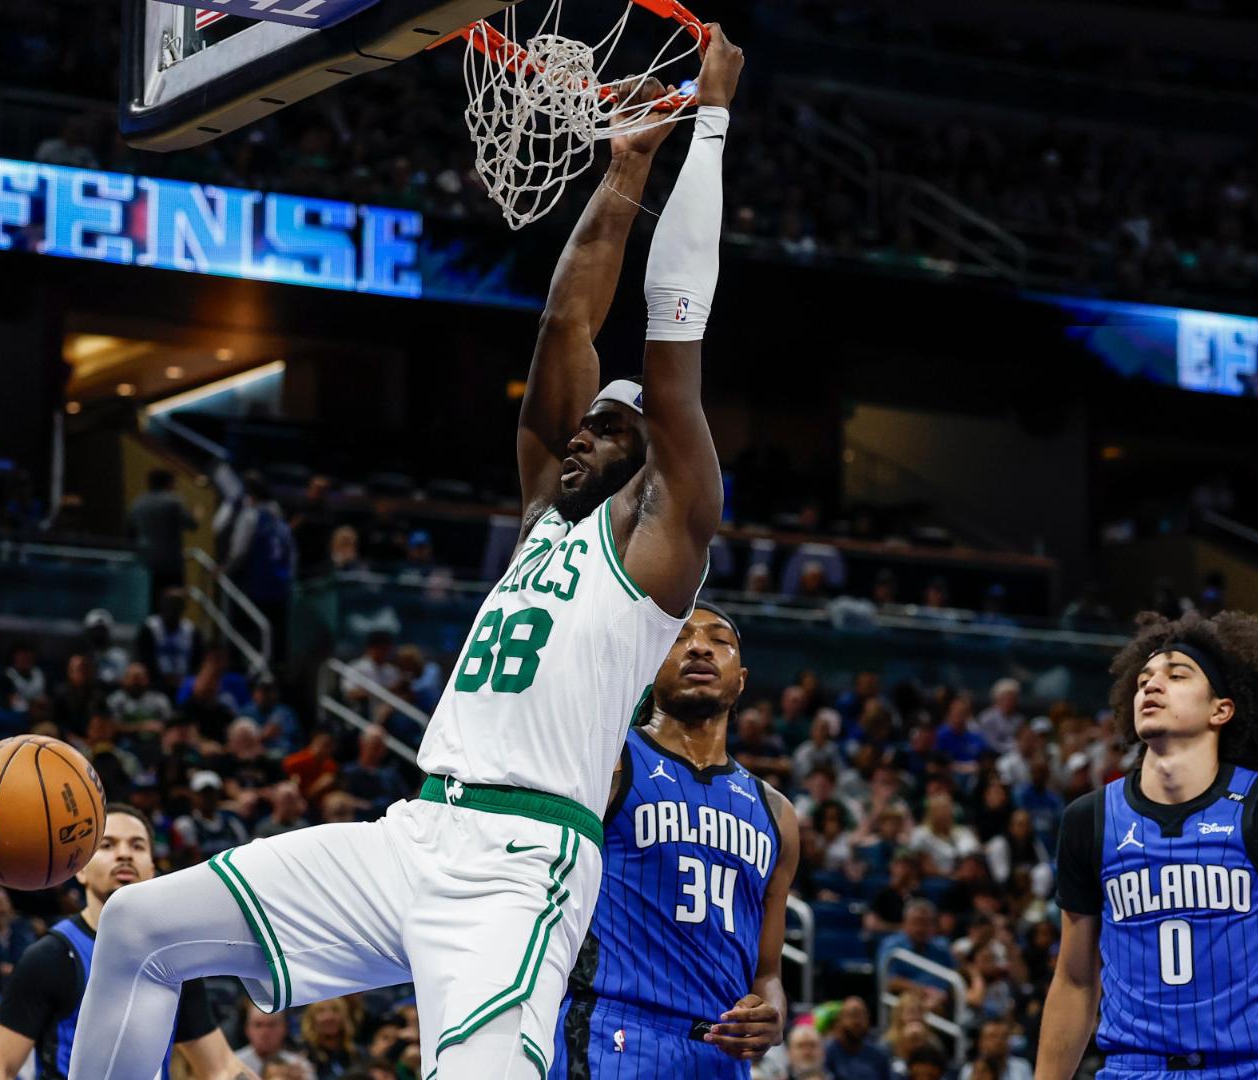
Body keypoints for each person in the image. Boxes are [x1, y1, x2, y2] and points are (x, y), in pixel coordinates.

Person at [67, 34, 737, 1079]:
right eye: (578, 425)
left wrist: (714, 125)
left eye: (601, 430)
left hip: (522, 868)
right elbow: (568, 321)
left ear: (650, 462)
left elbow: (670, 344)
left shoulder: (660, 548)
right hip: (412, 831)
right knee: (141, 930)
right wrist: (625, 166)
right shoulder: (541, 522)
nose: (575, 437)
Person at [1037, 611, 1258, 1080]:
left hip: (1249, 1069)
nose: (1152, 686)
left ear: (1221, 709)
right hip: (1131, 1069)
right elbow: (1076, 980)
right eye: (1143, 680)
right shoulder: (1089, 819)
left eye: (1177, 675)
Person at [551, 605, 799, 1077]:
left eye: (720, 640)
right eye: (679, 638)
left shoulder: (778, 814)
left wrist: (773, 1016)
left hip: (721, 1055)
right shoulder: (608, 761)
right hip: (614, 1031)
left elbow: (767, 974)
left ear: (741, 679)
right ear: (649, 664)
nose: (701, 646)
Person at [0, 807, 243, 1080]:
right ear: (80, 870)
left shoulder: (173, 959)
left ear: (152, 870)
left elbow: (221, 1068)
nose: (125, 854)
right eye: (107, 845)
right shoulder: (51, 956)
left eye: (137, 846)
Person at [126, 469, 198, 605]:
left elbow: (130, 533)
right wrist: (196, 514)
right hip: (171, 563)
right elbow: (191, 524)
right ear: (168, 483)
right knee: (173, 601)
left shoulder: (137, 504)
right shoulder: (173, 502)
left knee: (151, 602)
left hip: (146, 562)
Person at [232, 1000, 312, 1078]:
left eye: (271, 1025)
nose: (265, 1032)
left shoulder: (301, 1067)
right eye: (258, 1025)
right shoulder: (232, 1065)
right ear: (247, 1029)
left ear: (284, 1028)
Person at [821, 997, 890, 1080]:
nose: (858, 1021)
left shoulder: (879, 1055)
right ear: (840, 1019)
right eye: (853, 1015)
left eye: (862, 1015)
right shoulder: (826, 1052)